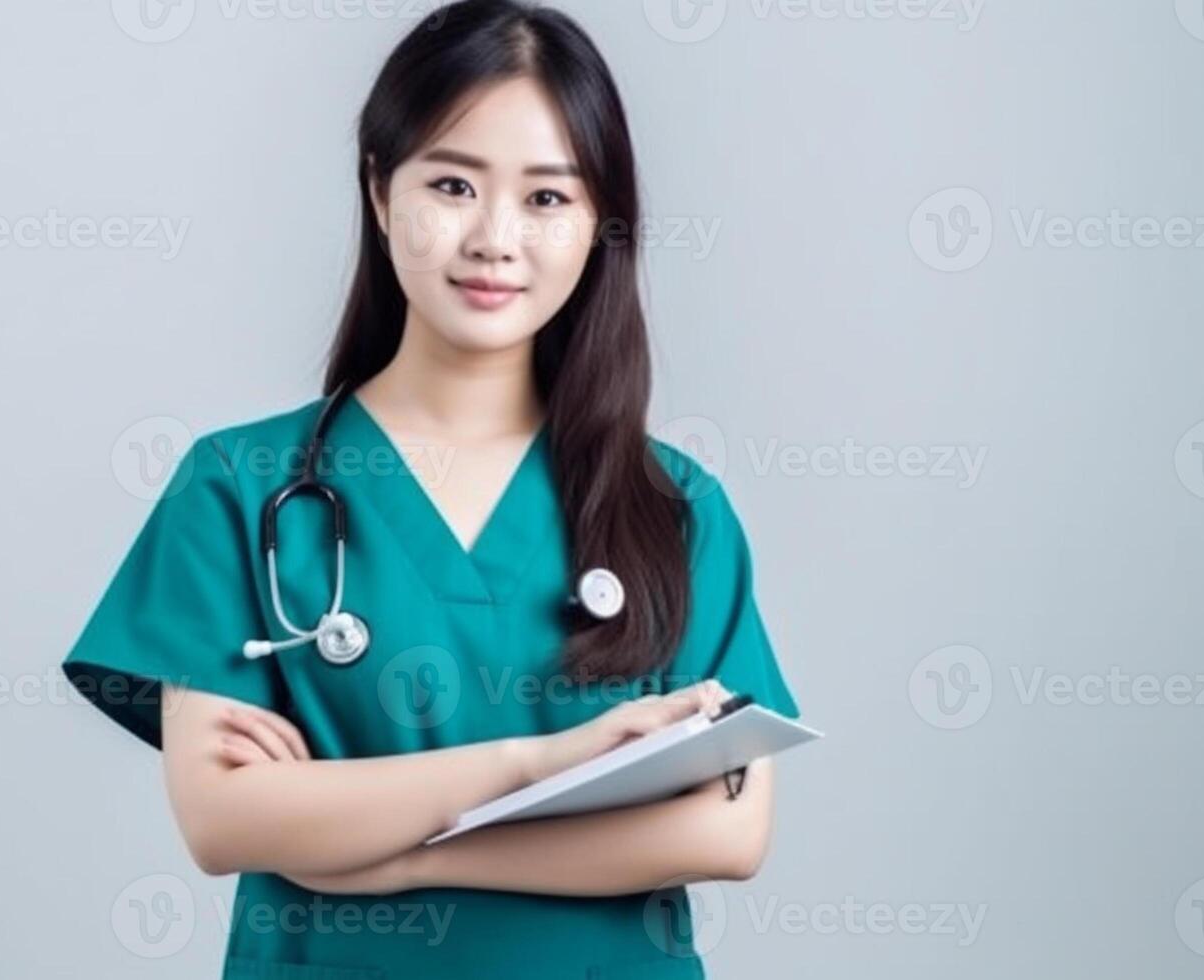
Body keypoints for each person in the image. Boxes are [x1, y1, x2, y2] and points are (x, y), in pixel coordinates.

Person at [62, 2, 800, 977]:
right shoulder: (241, 486)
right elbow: (225, 814)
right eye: (453, 183)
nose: (495, 238)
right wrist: (538, 764)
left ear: (598, 226)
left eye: (548, 198)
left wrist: (393, 853)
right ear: (379, 190)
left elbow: (729, 829)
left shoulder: (675, 506)